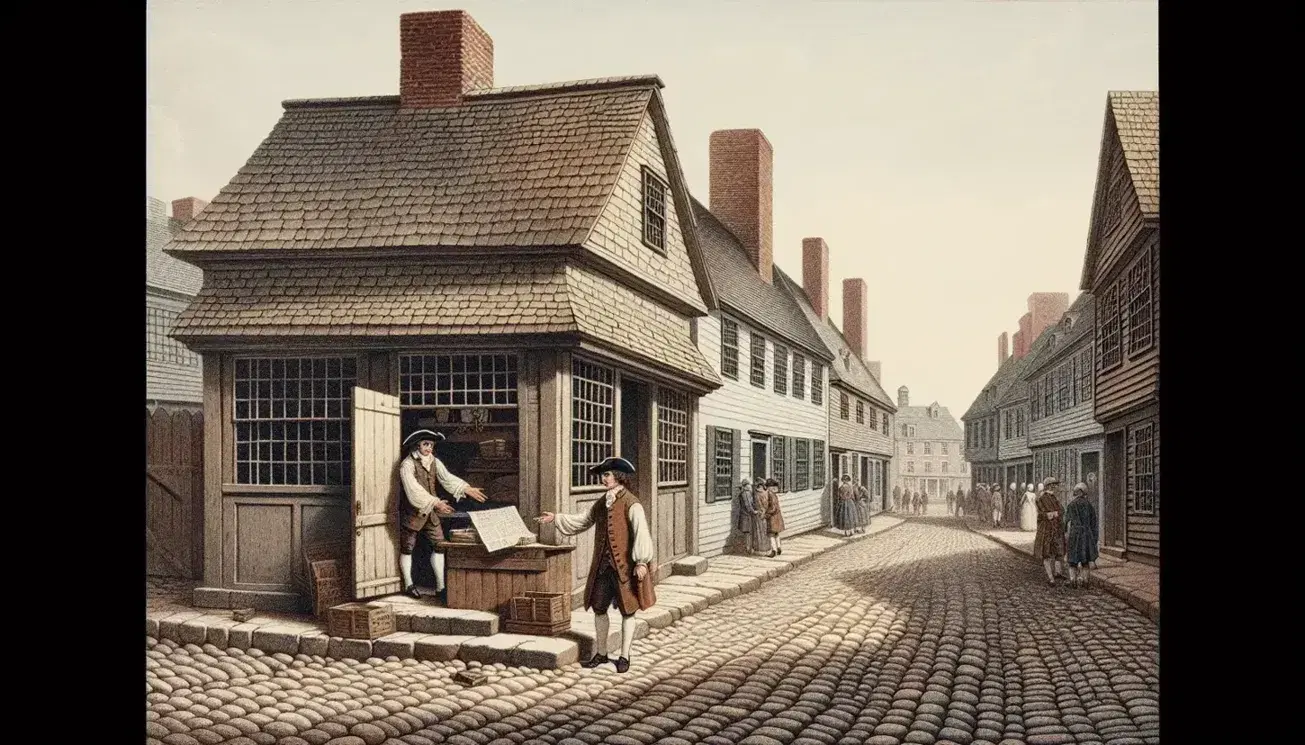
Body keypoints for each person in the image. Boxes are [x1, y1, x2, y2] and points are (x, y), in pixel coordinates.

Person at [537, 457, 655, 673]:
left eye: (607, 474)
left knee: (628, 612)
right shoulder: (603, 501)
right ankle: (601, 653)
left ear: (618, 477)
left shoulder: (632, 503)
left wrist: (641, 562)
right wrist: (556, 518)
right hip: (602, 567)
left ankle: (624, 656)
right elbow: (584, 520)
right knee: (599, 609)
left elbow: (641, 533)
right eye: (603, 475)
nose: (603, 478)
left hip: (624, 569)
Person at [397, 429, 488, 601]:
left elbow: (447, 478)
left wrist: (466, 488)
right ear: (417, 445)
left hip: (430, 513)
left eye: (431, 445)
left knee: (439, 546)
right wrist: (436, 503)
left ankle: (440, 587)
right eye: (425, 444)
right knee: (407, 548)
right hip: (413, 513)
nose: (429, 448)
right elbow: (413, 490)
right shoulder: (407, 465)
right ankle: (408, 584)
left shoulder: (434, 462)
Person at [1064, 482, 1100, 587]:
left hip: (1074, 534)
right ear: (1084, 492)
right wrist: (1094, 537)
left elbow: (1065, 521)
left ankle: (1073, 581)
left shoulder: (1071, 505)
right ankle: (1086, 582)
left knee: (1073, 560)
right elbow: (1094, 523)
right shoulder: (1089, 505)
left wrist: (1065, 532)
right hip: (1086, 534)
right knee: (1085, 560)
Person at [1033, 477, 1068, 585]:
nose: (1055, 487)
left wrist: (1056, 513)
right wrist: (1048, 515)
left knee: (1059, 552)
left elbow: (1062, 510)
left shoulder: (1054, 497)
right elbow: (1040, 514)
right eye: (1053, 485)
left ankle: (1058, 572)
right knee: (1046, 553)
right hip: (1046, 530)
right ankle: (1050, 577)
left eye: (1055, 485)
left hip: (1056, 528)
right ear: (1048, 486)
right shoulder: (1041, 498)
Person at [733, 478, 758, 555]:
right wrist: (754, 511)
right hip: (746, 516)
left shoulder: (745, 493)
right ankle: (748, 549)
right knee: (748, 533)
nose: (750, 486)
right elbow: (748, 505)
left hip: (746, 515)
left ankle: (749, 548)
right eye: (749, 485)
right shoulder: (746, 494)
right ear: (746, 486)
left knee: (748, 533)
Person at [765, 478, 786, 556]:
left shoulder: (770, 495)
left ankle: (774, 550)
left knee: (771, 534)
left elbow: (773, 508)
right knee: (776, 533)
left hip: (773, 517)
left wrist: (767, 513)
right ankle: (779, 547)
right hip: (778, 517)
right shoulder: (775, 495)